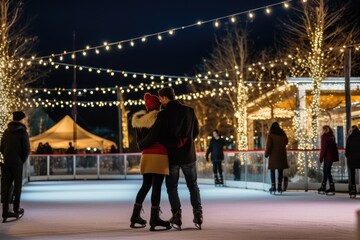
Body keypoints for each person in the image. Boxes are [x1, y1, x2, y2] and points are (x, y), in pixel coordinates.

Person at [139, 87, 203, 230]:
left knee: (172, 187)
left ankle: (177, 215)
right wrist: (187, 143)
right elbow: (196, 131)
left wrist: (143, 144)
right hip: (188, 156)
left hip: (172, 157)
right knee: (192, 185)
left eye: (160, 98)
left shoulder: (163, 114)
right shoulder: (189, 111)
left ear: (164, 98)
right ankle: (198, 213)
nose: (160, 101)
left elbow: (159, 136)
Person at [130, 92, 171, 231]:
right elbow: (160, 137)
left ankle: (135, 216)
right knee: (157, 186)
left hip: (146, 156)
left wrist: (142, 146)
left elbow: (139, 141)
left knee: (145, 185)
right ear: (156, 106)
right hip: (159, 154)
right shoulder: (159, 118)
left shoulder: (140, 121)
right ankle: (154, 219)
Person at [0, 111, 30, 222]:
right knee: (17, 187)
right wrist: (20, 160)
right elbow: (26, 150)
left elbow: (1, 147)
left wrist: (7, 157)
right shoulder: (22, 132)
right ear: (21, 120)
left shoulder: (6, 132)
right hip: (17, 163)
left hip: (7, 163)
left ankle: (5, 212)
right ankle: (16, 209)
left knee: (6, 187)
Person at [264, 122, 289, 195]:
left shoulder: (271, 135)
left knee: (272, 171)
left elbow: (269, 146)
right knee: (280, 171)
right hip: (281, 155)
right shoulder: (283, 134)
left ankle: (273, 186)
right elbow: (286, 142)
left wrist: (266, 154)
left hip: (273, 156)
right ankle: (279, 187)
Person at [318, 125, 339, 195]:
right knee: (326, 171)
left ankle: (330, 186)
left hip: (327, 156)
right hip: (332, 156)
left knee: (326, 171)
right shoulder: (332, 136)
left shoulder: (324, 137)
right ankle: (324, 186)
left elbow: (323, 148)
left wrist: (321, 158)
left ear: (324, 130)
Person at [345, 125, 360, 198]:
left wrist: (347, 156)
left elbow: (347, 150)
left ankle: (353, 189)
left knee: (352, 174)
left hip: (352, 158)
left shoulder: (350, 138)